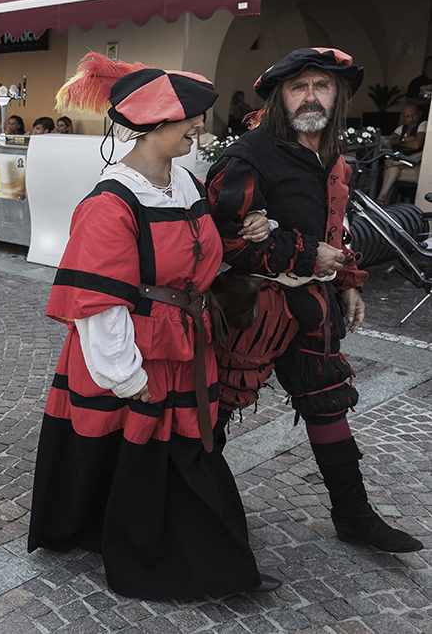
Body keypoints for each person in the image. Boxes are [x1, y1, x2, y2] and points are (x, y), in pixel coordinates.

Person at [27, 55, 278, 599]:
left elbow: (201, 256)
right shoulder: (110, 204)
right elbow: (97, 303)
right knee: (137, 447)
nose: (198, 126)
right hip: (136, 351)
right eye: (187, 118)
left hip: (184, 342)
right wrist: (126, 376)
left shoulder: (184, 181)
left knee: (183, 448)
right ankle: (157, 552)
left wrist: (249, 238)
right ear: (152, 124)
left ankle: (206, 552)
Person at [206, 47, 423, 554]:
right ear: (281, 96)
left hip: (312, 309)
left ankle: (354, 517)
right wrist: (305, 255)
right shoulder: (248, 155)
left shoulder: (335, 159)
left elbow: (335, 230)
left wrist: (347, 278)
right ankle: (195, 509)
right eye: (299, 86)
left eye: (321, 86)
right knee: (213, 410)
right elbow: (219, 236)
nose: (310, 95)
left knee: (328, 406)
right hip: (254, 312)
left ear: (337, 97)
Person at [377, 103, 426, 204]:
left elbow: (416, 145)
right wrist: (404, 139)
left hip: (420, 167)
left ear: (420, 114)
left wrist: (399, 144)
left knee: (389, 170)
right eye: (408, 116)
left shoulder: (424, 124)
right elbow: (388, 142)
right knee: (390, 170)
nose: (411, 119)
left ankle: (382, 201)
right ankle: (383, 201)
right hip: (406, 165)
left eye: (414, 115)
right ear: (403, 118)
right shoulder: (402, 128)